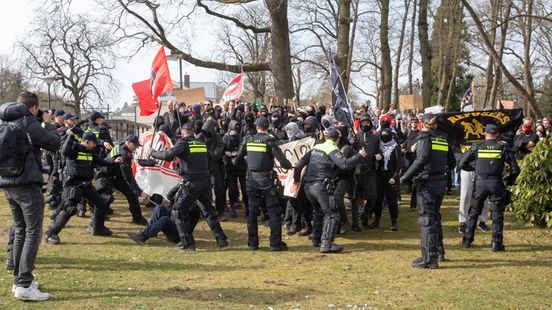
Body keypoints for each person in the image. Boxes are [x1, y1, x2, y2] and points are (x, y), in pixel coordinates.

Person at [0, 93, 61, 301]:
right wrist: (48, 123)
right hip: (27, 185)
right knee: (32, 232)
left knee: (20, 230)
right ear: (33, 108)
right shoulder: (28, 122)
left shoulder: (4, 120)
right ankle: (24, 284)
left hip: (8, 182)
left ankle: (19, 280)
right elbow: (54, 143)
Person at [150, 123, 228, 251]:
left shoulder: (183, 144)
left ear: (182, 133)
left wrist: (153, 153)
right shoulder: (201, 144)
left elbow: (168, 156)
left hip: (191, 184)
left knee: (178, 210)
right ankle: (221, 239)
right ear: (192, 132)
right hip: (205, 183)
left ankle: (187, 243)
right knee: (209, 212)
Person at [293, 126, 367, 253]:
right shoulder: (332, 148)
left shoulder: (316, 147)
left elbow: (299, 165)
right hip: (321, 187)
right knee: (333, 215)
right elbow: (344, 164)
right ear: (338, 139)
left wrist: (296, 180)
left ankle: (316, 239)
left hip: (307, 186)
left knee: (318, 211)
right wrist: (360, 156)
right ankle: (327, 244)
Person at [400, 113, 456, 269]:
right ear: (435, 124)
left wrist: (405, 176)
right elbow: (452, 163)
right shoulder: (443, 139)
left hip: (427, 183)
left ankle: (429, 258)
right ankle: (439, 252)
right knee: (435, 217)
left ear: (422, 124)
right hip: (440, 182)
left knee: (426, 220)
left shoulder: (424, 139)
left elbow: (421, 159)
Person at [45, 131, 118, 244]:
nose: (95, 145)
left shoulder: (90, 153)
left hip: (87, 185)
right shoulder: (73, 149)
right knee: (69, 209)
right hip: (73, 185)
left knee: (101, 204)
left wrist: (114, 160)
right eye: (93, 143)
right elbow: (64, 151)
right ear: (87, 142)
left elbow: (102, 162)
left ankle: (97, 228)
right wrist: (70, 136)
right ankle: (51, 234)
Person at [236, 116, 293, 251]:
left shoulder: (248, 140)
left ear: (257, 127)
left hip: (251, 180)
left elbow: (237, 158)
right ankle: (275, 244)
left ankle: (252, 244)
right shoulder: (270, 141)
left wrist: (248, 161)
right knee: (273, 211)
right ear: (267, 128)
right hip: (267, 180)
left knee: (252, 211)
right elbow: (283, 161)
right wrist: (290, 167)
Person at [460, 124, 520, 251]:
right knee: (497, 214)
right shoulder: (503, 147)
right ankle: (496, 243)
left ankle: (468, 239)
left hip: (480, 183)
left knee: (474, 212)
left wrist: (474, 169)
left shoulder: (477, 146)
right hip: (497, 183)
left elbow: (462, 163)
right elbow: (515, 169)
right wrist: (509, 181)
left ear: (484, 133)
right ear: (497, 134)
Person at [95, 134, 149, 225]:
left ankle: (103, 215)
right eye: (134, 145)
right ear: (128, 142)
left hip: (107, 174)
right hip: (111, 176)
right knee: (131, 196)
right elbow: (128, 177)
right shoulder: (125, 155)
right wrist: (140, 192)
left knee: (105, 198)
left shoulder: (120, 145)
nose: (135, 148)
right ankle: (137, 219)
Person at [352, 115, 382, 229]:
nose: (365, 125)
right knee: (355, 197)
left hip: (370, 171)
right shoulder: (355, 137)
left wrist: (379, 155)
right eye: (363, 122)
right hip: (357, 171)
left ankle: (365, 215)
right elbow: (349, 151)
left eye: (367, 123)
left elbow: (378, 149)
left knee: (373, 196)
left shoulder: (375, 137)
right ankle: (355, 223)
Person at [373, 128, 402, 231]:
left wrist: (394, 177)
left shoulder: (395, 146)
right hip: (380, 175)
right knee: (378, 199)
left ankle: (394, 221)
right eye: (383, 135)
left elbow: (399, 164)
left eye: (386, 136)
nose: (384, 137)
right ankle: (377, 219)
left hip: (391, 176)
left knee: (392, 200)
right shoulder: (378, 146)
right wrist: (376, 158)